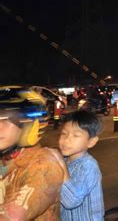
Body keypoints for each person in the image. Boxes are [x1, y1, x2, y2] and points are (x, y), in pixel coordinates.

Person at [0, 91, 64, 220]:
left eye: (7, 120)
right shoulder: (5, 158)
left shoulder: (42, 165)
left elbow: (12, 216)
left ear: (29, 127)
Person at [57, 110, 104, 220]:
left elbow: (71, 201)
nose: (66, 140)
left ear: (91, 142)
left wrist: (61, 166)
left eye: (75, 135)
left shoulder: (89, 166)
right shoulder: (65, 160)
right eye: (64, 133)